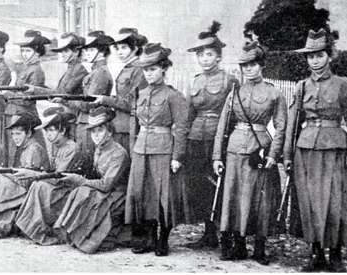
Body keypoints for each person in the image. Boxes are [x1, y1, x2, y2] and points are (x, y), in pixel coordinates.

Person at [283, 29, 347, 272]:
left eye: (319, 56)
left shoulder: (342, 84)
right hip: (305, 151)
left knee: (335, 202)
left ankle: (336, 254)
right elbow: (293, 124)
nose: (315, 61)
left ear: (329, 56)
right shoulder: (301, 86)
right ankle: (315, 252)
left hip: (335, 150)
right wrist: (286, 155)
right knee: (309, 202)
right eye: (310, 57)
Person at [211, 41, 285, 265]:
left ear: (261, 65)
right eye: (245, 66)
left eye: (253, 64)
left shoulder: (273, 93)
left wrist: (273, 155)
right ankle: (239, 245)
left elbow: (281, 127)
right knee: (234, 197)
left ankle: (260, 247)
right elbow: (223, 125)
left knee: (260, 200)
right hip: (234, 150)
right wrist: (216, 156)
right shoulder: (235, 92)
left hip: (259, 150)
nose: (249, 69)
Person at [179, 21, 243, 249]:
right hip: (196, 138)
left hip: (219, 139)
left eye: (209, 54)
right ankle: (208, 233)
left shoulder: (229, 80)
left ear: (218, 57)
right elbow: (188, 113)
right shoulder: (195, 80)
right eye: (201, 55)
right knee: (200, 186)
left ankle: (224, 233)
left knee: (220, 184)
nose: (204, 59)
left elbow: (236, 113)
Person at [125, 43, 189, 257]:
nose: (148, 73)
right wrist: (133, 148)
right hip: (141, 148)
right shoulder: (140, 93)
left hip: (163, 149)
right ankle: (150, 238)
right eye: (146, 69)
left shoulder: (173, 95)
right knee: (143, 194)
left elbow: (181, 127)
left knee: (163, 196)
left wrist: (177, 156)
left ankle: (163, 239)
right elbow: (135, 123)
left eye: (152, 69)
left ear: (163, 69)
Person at [53, 106, 130, 254]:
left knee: (84, 192)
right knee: (80, 192)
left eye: (100, 131)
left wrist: (80, 180)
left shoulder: (118, 153)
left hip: (118, 196)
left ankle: (85, 238)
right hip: (103, 191)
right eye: (93, 131)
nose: (95, 135)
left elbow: (107, 184)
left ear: (110, 131)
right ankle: (75, 234)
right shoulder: (99, 149)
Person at [14, 107, 85, 245]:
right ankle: (31, 226)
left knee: (39, 186)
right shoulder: (55, 145)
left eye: (51, 130)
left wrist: (35, 174)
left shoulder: (71, 148)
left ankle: (36, 229)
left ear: (63, 130)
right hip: (58, 187)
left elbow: (60, 176)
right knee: (37, 185)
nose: (47, 135)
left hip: (69, 190)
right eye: (46, 131)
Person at [0, 112, 50, 240]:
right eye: (13, 134)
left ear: (29, 133)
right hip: (25, 186)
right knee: (0, 180)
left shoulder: (34, 149)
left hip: (33, 190)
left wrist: (8, 175)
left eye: (18, 134)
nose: (15, 137)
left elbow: (29, 178)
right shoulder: (26, 148)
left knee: (3, 183)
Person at [57, 30, 114, 173]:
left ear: (101, 52)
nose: (87, 53)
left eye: (92, 49)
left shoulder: (100, 73)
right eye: (87, 49)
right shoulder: (95, 71)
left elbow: (88, 103)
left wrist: (65, 100)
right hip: (84, 122)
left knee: (87, 164)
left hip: (90, 122)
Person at [91, 28, 148, 153]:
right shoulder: (127, 68)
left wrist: (105, 100)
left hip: (128, 129)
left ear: (135, 48)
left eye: (124, 48)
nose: (119, 52)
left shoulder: (138, 70)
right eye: (117, 48)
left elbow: (132, 104)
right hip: (119, 126)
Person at [0, 30, 50, 166]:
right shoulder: (26, 68)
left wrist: (6, 93)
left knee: (23, 151)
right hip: (15, 113)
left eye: (28, 51)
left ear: (37, 52)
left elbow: (27, 98)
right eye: (23, 51)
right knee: (14, 150)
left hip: (24, 115)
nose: (24, 54)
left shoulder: (36, 71)